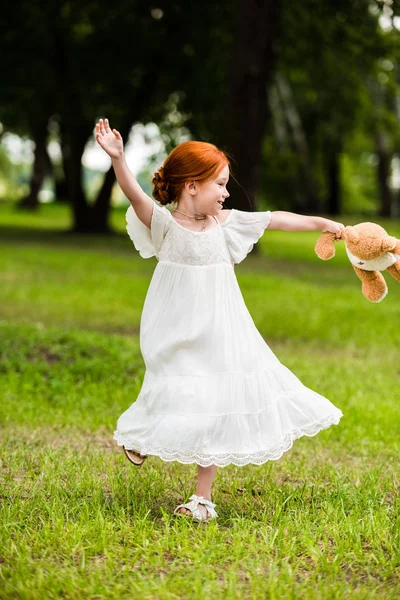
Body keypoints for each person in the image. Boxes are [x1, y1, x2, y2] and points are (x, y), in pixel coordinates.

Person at [95, 118, 344, 523]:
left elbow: (275, 218)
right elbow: (135, 195)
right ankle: (141, 433)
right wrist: (119, 159)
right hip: (173, 327)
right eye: (220, 184)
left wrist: (320, 223)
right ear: (192, 185)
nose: (227, 193)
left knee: (214, 403)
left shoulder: (223, 226)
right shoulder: (163, 225)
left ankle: (202, 499)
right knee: (170, 386)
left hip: (221, 329)